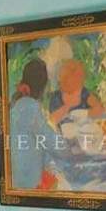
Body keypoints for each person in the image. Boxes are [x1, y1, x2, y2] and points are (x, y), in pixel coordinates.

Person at [10, 59, 63, 190]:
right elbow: (53, 143)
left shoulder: (17, 105)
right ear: (43, 88)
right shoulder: (29, 107)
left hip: (15, 177)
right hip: (28, 183)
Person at [49, 59, 104, 127]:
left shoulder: (84, 94)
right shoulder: (56, 97)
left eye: (78, 81)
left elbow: (100, 110)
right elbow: (51, 120)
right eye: (73, 81)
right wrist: (67, 106)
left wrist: (84, 113)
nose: (79, 85)